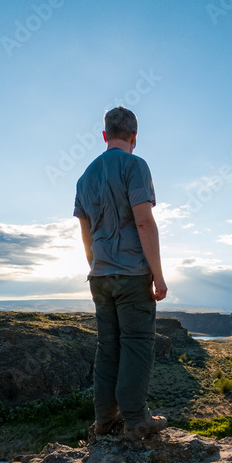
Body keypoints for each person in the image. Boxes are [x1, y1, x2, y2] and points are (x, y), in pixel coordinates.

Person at [74, 106, 168, 440]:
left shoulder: (85, 177)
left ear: (104, 135)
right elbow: (143, 221)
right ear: (134, 137)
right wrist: (157, 274)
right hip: (131, 275)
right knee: (137, 344)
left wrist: (95, 267)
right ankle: (136, 420)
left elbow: (85, 234)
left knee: (108, 347)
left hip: (99, 277)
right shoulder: (135, 166)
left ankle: (103, 421)